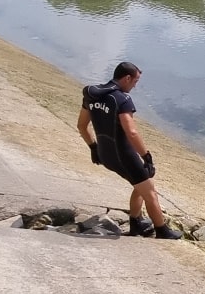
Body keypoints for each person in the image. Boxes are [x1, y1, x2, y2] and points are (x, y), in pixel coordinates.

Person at [76, 61, 181, 240]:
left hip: (106, 155)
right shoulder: (122, 99)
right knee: (150, 191)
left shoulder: (92, 96)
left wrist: (94, 147)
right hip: (123, 155)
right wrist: (146, 156)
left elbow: (81, 126)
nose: (135, 85)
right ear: (127, 78)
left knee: (139, 182)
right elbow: (131, 132)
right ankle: (162, 231)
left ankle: (136, 223)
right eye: (135, 81)